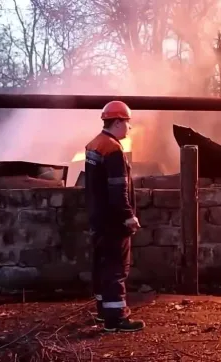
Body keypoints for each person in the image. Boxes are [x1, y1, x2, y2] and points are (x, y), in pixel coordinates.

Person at [84, 100, 144, 332]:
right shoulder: (113, 149)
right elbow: (117, 187)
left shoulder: (94, 145)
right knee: (116, 268)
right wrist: (128, 216)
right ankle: (116, 318)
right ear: (118, 122)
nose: (129, 128)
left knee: (101, 266)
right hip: (113, 221)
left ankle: (103, 312)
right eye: (128, 123)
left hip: (98, 218)